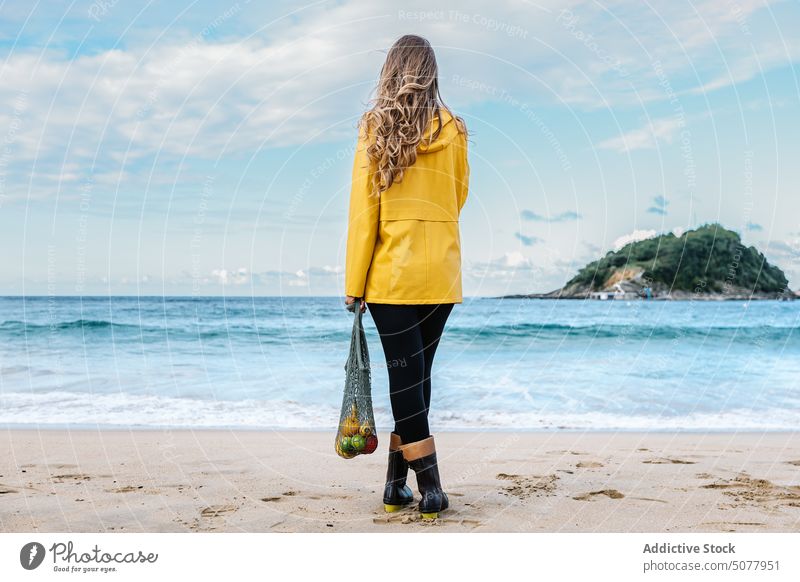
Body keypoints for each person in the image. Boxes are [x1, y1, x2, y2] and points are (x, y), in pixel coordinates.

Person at [343, 34, 470, 520]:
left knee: (405, 378)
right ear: (431, 75)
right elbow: (459, 195)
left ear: (391, 72)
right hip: (441, 271)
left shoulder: (375, 129)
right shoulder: (454, 129)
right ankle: (396, 485)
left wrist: (355, 281)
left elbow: (363, 212)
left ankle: (430, 488)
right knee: (416, 378)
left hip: (393, 274)